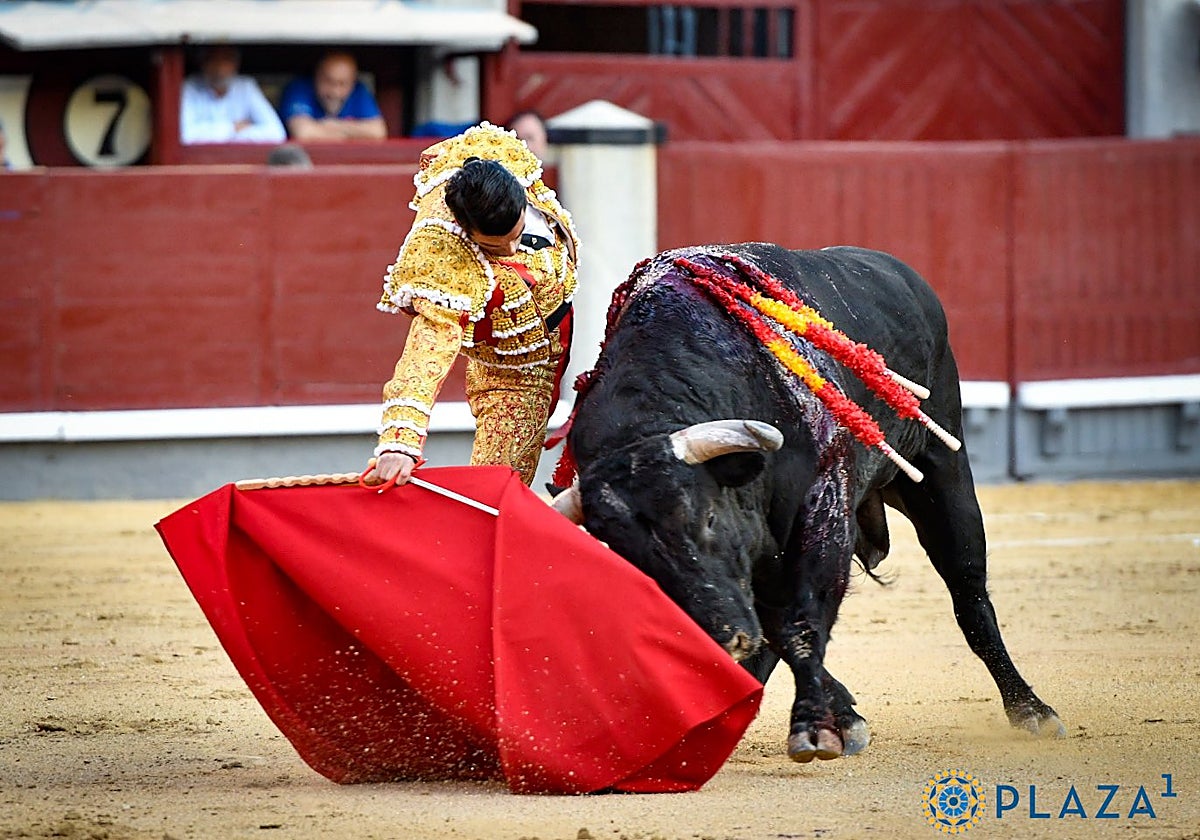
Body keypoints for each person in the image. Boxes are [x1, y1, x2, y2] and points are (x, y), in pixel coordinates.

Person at [363, 122, 580, 488]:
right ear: (467, 230)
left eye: (517, 234)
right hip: (512, 377)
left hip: (557, 338)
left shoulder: (501, 161)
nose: (510, 249)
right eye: (494, 246)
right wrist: (400, 441)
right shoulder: (444, 255)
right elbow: (427, 347)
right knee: (495, 493)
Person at [180, 45, 286, 144]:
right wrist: (232, 128)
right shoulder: (189, 87)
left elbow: (276, 134)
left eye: (226, 60)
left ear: (236, 64)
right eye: (212, 60)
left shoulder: (246, 87)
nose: (219, 68)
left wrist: (239, 133)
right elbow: (185, 135)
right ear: (203, 64)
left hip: (241, 157)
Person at [278, 51, 387, 141]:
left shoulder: (358, 90)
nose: (335, 92)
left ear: (352, 82)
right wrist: (355, 133)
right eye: (328, 82)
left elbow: (378, 132)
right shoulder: (299, 88)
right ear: (316, 77)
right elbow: (303, 133)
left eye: (342, 84)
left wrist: (334, 125)